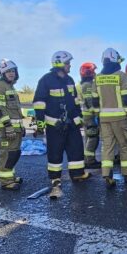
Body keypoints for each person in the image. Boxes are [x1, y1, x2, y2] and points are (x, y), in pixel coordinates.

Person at [33, 50, 90, 200]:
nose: (69, 65)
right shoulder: (46, 80)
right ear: (59, 64)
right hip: (54, 125)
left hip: (71, 124)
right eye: (67, 63)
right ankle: (55, 180)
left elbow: (75, 102)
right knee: (55, 153)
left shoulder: (70, 80)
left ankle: (77, 174)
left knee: (76, 149)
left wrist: (78, 120)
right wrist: (42, 123)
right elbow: (39, 104)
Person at [91, 48, 127, 187]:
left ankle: (107, 175)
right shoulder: (121, 76)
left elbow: (94, 100)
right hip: (120, 118)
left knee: (107, 147)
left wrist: (96, 115)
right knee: (125, 145)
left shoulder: (97, 78)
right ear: (115, 60)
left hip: (104, 118)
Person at [0, 58, 24, 190]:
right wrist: (8, 126)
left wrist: (20, 127)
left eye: (13, 71)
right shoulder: (0, 87)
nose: (11, 73)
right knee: (7, 154)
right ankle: (5, 181)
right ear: (2, 73)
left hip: (15, 129)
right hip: (8, 129)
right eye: (8, 71)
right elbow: (0, 108)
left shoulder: (10, 87)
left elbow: (15, 110)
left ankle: (10, 177)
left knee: (14, 153)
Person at [76, 62, 100, 166]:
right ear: (89, 72)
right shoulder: (88, 85)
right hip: (89, 115)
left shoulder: (82, 84)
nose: (95, 73)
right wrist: (96, 112)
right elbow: (89, 101)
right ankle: (90, 160)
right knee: (93, 137)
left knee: (88, 137)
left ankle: (87, 159)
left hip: (85, 115)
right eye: (93, 71)